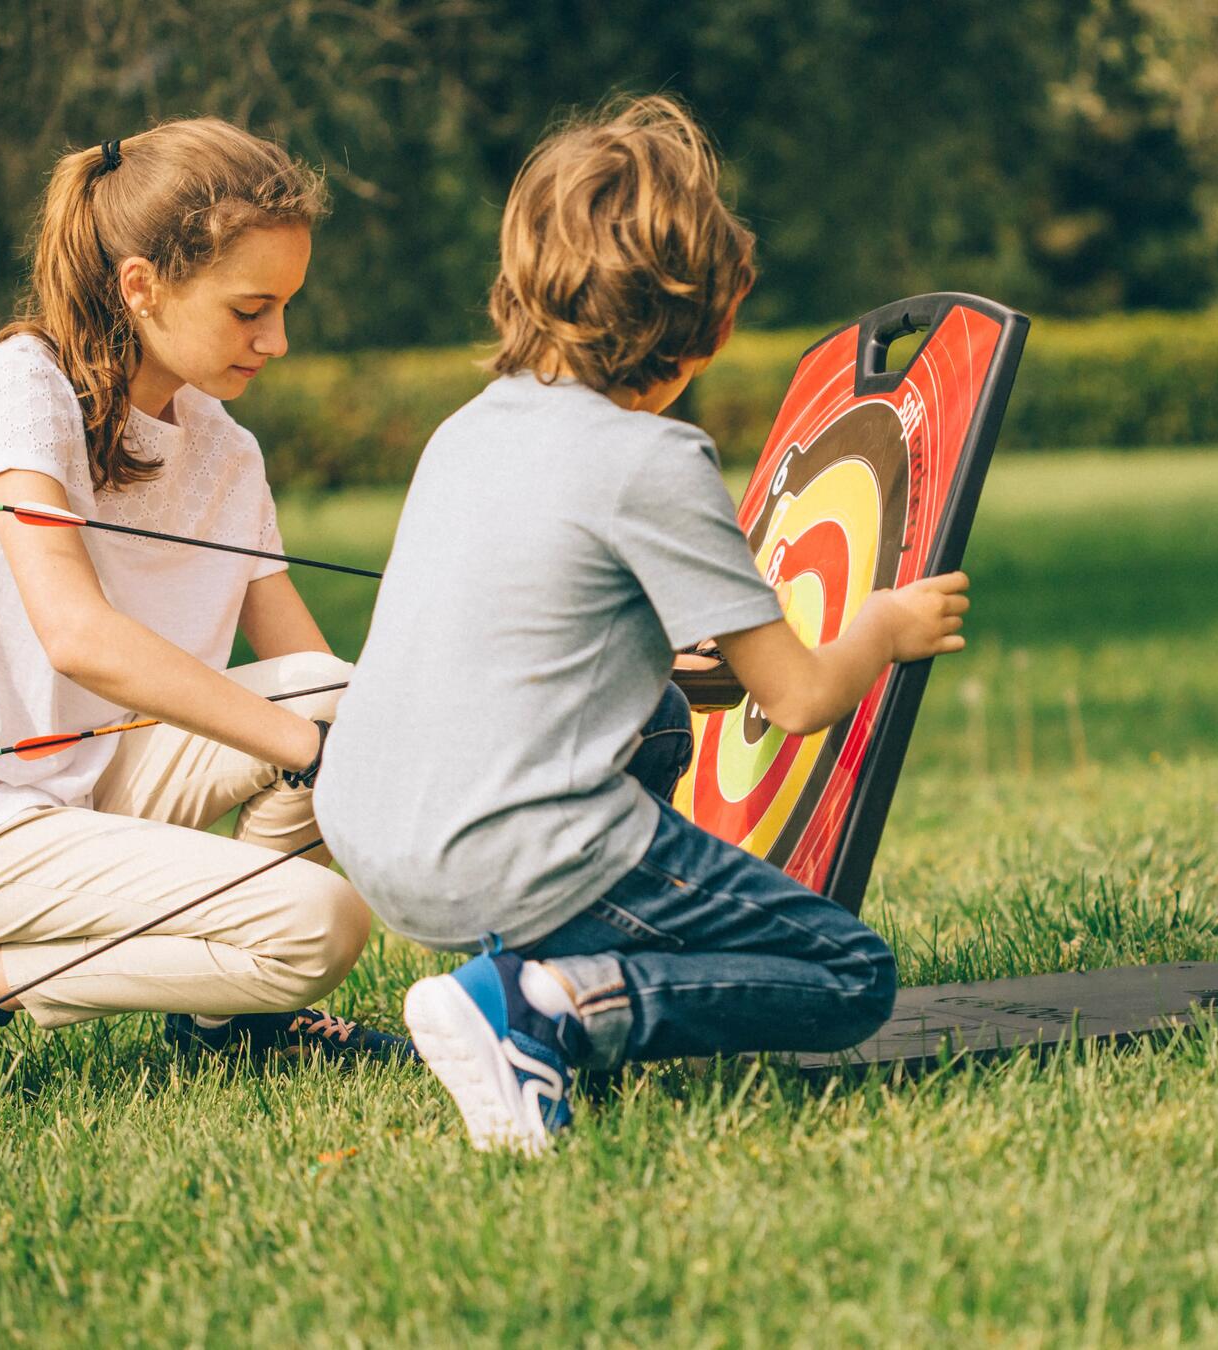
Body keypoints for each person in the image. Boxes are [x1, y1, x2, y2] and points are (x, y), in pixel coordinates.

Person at [315, 95, 969, 1155]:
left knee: (662, 715)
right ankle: (550, 1006)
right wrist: (885, 627)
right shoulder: (654, 461)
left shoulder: (469, 429)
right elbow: (797, 697)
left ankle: (537, 968)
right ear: (712, 316)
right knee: (853, 975)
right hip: (505, 851)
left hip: (375, 835)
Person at [0, 118, 410, 1122]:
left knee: (340, 698)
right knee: (320, 928)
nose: (275, 341)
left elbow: (310, 670)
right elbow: (78, 633)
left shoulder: (223, 449)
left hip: (85, 788)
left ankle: (231, 1023)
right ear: (142, 284)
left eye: (284, 308)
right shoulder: (18, 394)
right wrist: (300, 746)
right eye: (251, 310)